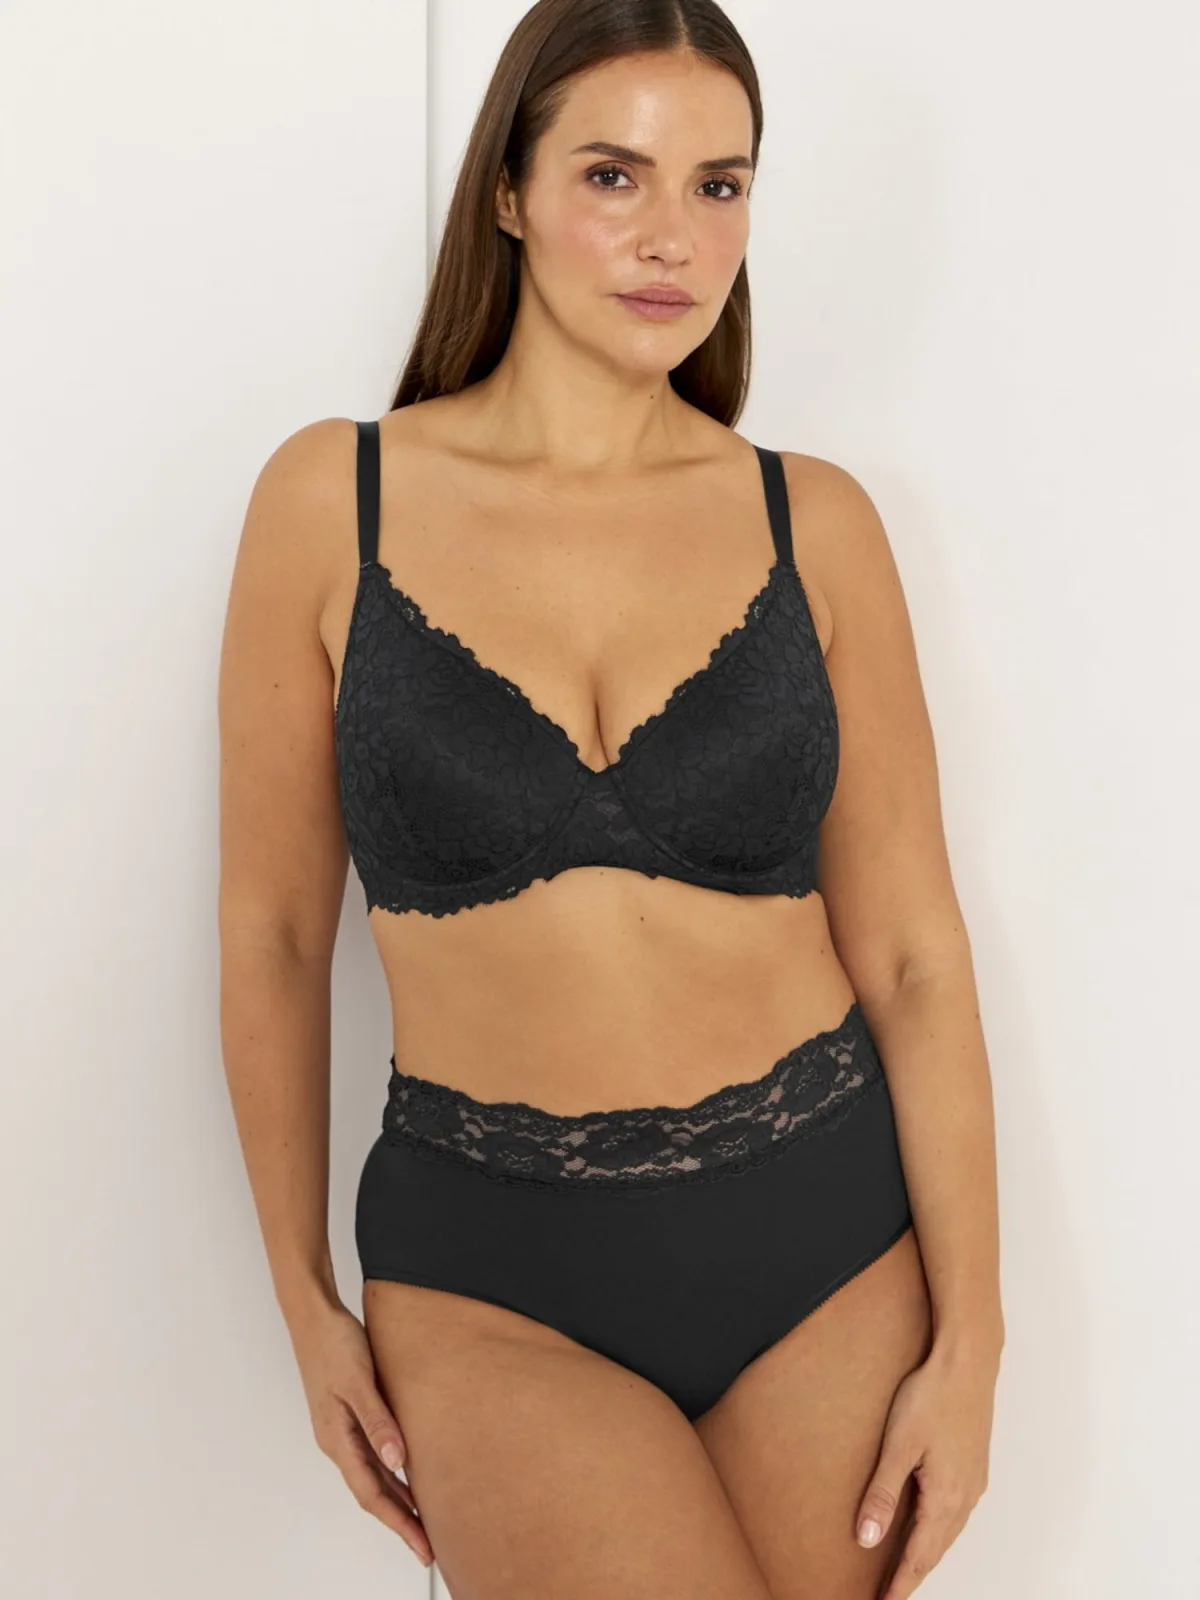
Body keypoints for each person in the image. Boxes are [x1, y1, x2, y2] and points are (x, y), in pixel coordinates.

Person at [217, 1, 1004, 1595]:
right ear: (508, 193)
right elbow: (276, 936)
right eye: (612, 175)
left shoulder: (813, 523)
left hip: (827, 1249)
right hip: (492, 1279)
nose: (672, 238)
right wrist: (302, 1301)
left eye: (720, 185)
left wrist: (976, 1340)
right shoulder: (333, 503)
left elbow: (916, 954)